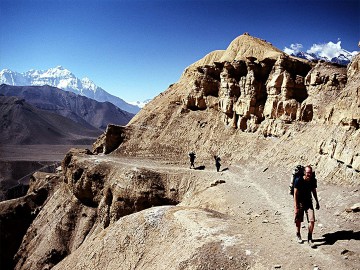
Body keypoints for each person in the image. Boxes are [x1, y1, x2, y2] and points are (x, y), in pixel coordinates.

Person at [294, 165, 320, 246]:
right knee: (298, 219)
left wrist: (317, 201)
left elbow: (314, 191)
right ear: (304, 172)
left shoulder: (312, 180)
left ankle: (310, 238)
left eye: (310, 173)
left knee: (312, 220)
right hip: (300, 202)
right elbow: (295, 194)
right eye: (308, 172)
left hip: (309, 202)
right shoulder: (298, 180)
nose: (309, 174)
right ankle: (298, 234)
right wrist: (296, 207)